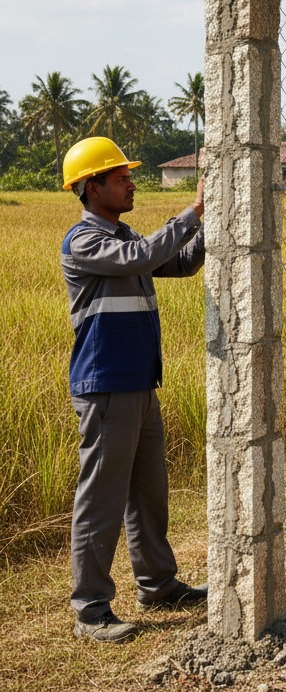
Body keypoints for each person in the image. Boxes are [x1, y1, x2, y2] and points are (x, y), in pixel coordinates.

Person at [60, 137, 207, 644]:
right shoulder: (85, 241)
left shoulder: (123, 235)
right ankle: (91, 608)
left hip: (140, 384)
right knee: (102, 500)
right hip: (106, 386)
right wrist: (193, 210)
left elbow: (179, 263)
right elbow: (142, 255)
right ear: (90, 187)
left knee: (148, 494)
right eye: (120, 177)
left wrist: (210, 224)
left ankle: (157, 583)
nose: (131, 183)